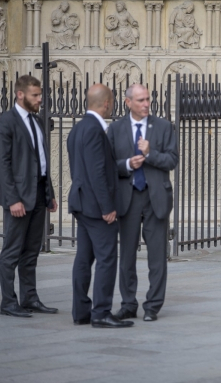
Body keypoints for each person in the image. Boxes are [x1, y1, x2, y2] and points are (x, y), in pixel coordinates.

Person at [107, 84, 178, 322]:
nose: (146, 104)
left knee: (157, 256)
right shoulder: (115, 129)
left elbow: (172, 160)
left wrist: (150, 154)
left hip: (155, 197)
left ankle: (153, 306)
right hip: (128, 197)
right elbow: (108, 164)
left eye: (148, 99)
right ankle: (128, 304)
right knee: (126, 255)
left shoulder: (164, 126)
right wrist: (128, 164)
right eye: (140, 100)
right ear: (128, 103)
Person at [67, 84, 133, 328]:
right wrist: (107, 207)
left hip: (82, 203)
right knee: (106, 258)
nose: (112, 106)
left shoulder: (77, 129)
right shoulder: (95, 130)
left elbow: (80, 170)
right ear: (106, 103)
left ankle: (81, 311)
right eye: (112, 102)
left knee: (84, 259)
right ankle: (101, 312)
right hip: (96, 208)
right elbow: (96, 173)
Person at [0, 75, 58, 317]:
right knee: (12, 251)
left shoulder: (38, 121)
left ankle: (30, 298)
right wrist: (13, 199)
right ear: (20, 95)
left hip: (39, 194)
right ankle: (8, 302)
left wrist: (49, 193)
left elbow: (41, 160)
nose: (40, 99)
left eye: (40, 95)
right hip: (18, 197)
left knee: (31, 251)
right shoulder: (5, 123)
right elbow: (3, 164)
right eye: (35, 95)